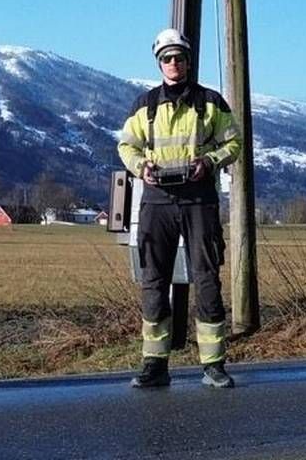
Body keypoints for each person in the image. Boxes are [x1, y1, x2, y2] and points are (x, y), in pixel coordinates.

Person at [117, 28, 242, 389]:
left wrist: (211, 161)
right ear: (160, 64)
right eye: (167, 59)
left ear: (188, 61)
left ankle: (213, 363)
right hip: (157, 201)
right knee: (154, 280)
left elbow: (234, 142)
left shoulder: (211, 102)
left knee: (206, 278)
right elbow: (126, 147)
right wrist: (142, 168)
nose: (174, 64)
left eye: (179, 58)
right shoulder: (145, 105)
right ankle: (155, 362)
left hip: (198, 199)